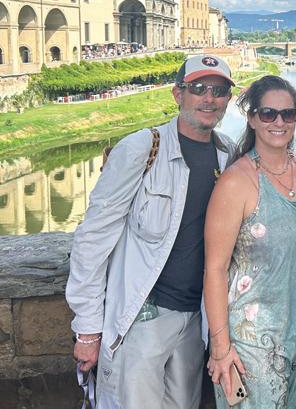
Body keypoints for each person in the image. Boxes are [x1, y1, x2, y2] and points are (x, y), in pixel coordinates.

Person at [66, 54, 236, 409]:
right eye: (198, 88)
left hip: (196, 320)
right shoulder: (142, 149)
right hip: (142, 317)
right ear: (178, 94)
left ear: (228, 99)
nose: (209, 98)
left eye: (218, 91)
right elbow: (92, 239)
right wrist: (88, 328)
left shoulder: (228, 155)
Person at [203, 75, 296, 408]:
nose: (279, 122)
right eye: (269, 113)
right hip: (248, 347)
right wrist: (221, 348)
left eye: (288, 114)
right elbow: (214, 270)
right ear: (252, 118)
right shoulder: (236, 183)